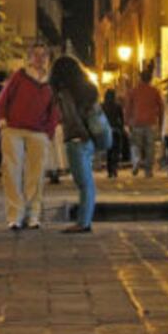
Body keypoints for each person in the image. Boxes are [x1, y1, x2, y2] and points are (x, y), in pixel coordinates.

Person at [0, 43, 58, 230]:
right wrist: (2, 121)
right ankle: (15, 215)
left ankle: (33, 215)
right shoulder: (20, 76)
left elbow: (54, 109)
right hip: (13, 129)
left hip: (38, 132)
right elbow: (2, 99)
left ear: (48, 59)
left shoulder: (51, 83)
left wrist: (49, 131)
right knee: (11, 172)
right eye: (36, 55)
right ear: (29, 58)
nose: (40, 59)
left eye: (44, 55)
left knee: (36, 175)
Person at [51, 56, 99, 233]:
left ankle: (83, 223)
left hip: (77, 139)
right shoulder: (89, 89)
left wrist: (79, 133)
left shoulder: (65, 93)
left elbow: (70, 117)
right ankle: (84, 220)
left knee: (84, 183)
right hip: (90, 140)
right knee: (88, 182)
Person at [124, 68, 164, 177]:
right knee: (149, 146)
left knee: (135, 144)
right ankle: (148, 169)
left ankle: (136, 160)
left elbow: (128, 107)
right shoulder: (154, 91)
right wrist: (161, 122)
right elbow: (161, 107)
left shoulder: (134, 91)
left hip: (136, 122)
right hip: (151, 122)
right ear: (150, 79)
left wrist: (126, 122)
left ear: (140, 78)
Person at [102, 89, 125, 178]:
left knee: (109, 151)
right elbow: (121, 119)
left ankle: (109, 170)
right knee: (116, 150)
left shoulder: (102, 106)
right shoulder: (117, 106)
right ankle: (114, 167)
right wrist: (122, 128)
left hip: (106, 130)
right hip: (116, 129)